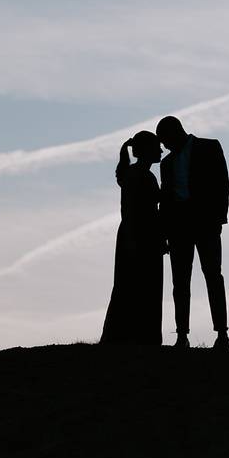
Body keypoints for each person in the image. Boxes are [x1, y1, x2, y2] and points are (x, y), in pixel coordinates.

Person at [156, 116, 229, 351]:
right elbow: (165, 201)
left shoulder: (209, 147)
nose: (165, 146)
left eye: (165, 140)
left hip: (206, 223)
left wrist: (218, 218)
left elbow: (223, 184)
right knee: (180, 282)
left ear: (175, 133)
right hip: (178, 227)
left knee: (213, 276)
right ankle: (182, 336)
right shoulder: (166, 164)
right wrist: (164, 234)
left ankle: (222, 334)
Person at [100, 131, 165, 346]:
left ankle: (124, 335)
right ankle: (142, 337)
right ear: (147, 151)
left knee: (129, 285)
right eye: (157, 147)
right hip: (141, 234)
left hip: (134, 233)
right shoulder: (142, 176)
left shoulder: (132, 174)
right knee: (143, 286)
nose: (161, 151)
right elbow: (142, 210)